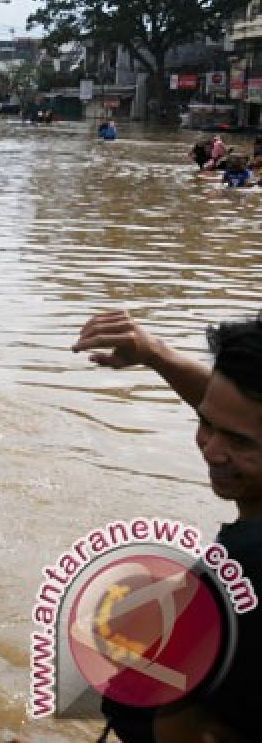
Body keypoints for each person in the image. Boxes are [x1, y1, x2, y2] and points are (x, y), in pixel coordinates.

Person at [72, 312, 262, 742]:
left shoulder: (242, 569)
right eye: (205, 424)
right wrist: (157, 356)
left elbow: (190, 732)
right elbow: (237, 411)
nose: (211, 452)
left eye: (239, 443)